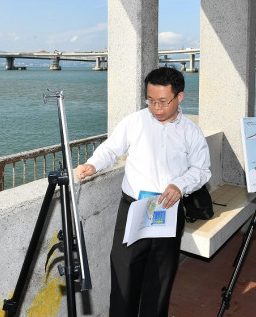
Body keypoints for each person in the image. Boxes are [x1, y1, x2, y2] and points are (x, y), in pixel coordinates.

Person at [75, 66, 211, 317]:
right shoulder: (134, 121)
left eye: (163, 102)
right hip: (133, 208)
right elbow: (110, 150)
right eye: (151, 101)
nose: (156, 108)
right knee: (123, 275)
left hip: (168, 209)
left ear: (179, 97)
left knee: (159, 278)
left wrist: (180, 185)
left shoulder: (191, 131)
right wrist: (92, 164)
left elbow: (202, 170)